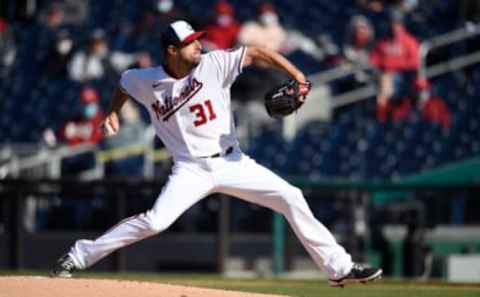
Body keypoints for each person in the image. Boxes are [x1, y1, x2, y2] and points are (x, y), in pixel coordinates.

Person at [51, 20, 382, 287]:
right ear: (171, 50)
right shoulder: (145, 79)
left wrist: (298, 77)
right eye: (191, 42)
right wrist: (113, 112)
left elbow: (257, 53)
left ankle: (339, 268)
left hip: (232, 161)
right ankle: (78, 256)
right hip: (190, 170)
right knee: (155, 221)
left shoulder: (214, 63)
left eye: (198, 39)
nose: (199, 44)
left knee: (291, 196)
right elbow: (123, 85)